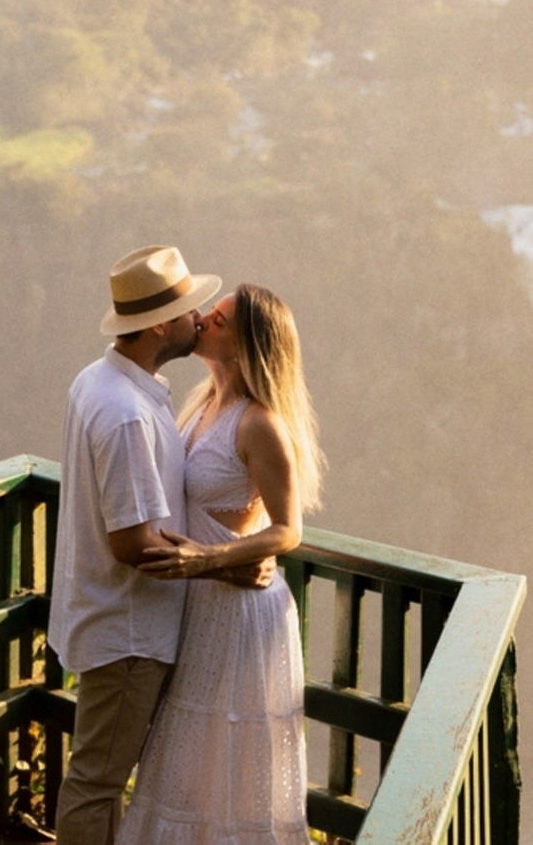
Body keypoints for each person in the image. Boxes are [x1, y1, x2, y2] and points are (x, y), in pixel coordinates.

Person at [48, 245, 268, 845]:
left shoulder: (101, 382)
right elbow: (131, 543)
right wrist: (224, 567)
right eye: (190, 310)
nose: (199, 319)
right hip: (128, 632)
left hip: (109, 618)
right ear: (159, 327)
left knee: (100, 778)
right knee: (96, 782)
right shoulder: (127, 413)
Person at [118, 283, 327, 845]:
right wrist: (207, 566)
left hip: (241, 617)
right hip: (202, 601)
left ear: (248, 342)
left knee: (233, 765)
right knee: (189, 756)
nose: (203, 320)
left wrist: (210, 557)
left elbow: (287, 529)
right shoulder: (197, 405)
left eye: (220, 318)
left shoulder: (259, 423)